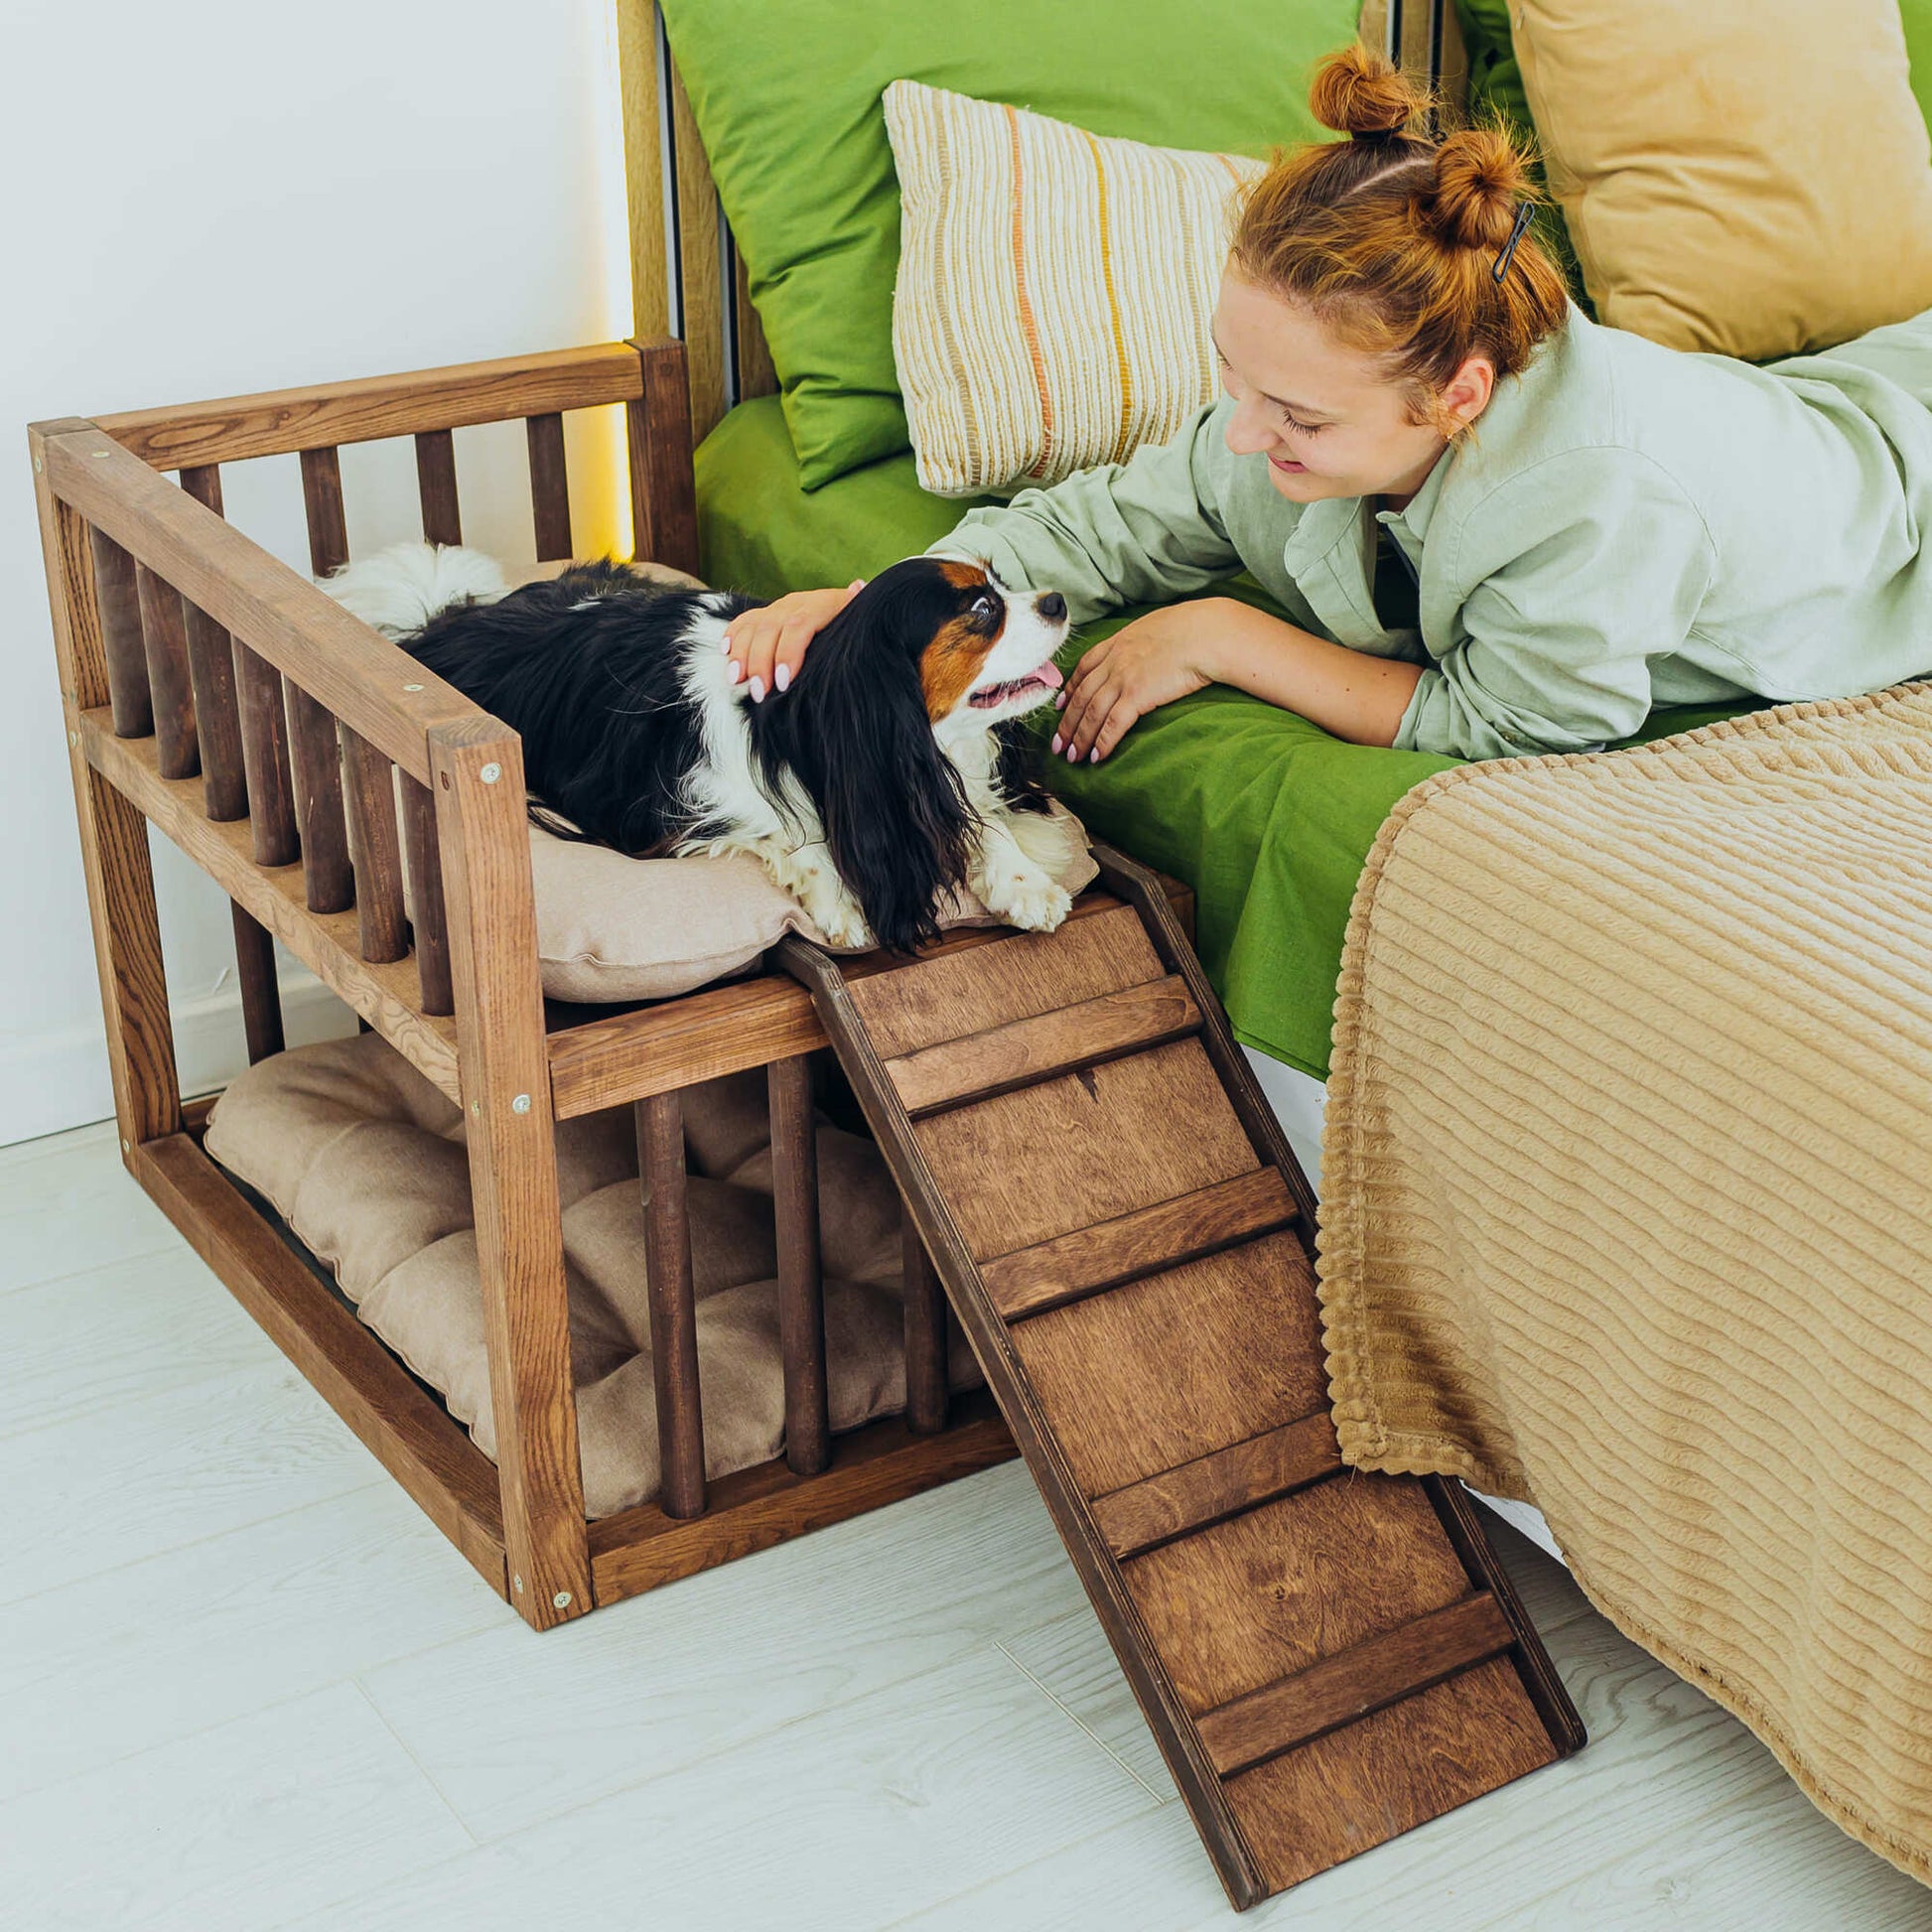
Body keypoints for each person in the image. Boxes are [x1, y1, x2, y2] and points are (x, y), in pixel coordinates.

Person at [723, 42, 1932, 765]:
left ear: (1455, 396)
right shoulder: (1276, 417)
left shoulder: (1595, 492)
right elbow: (1098, 523)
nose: (1243, 434)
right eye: (1232, 378)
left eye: (1297, 417)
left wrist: (1222, 634)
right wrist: (876, 599)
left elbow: (1513, 722)